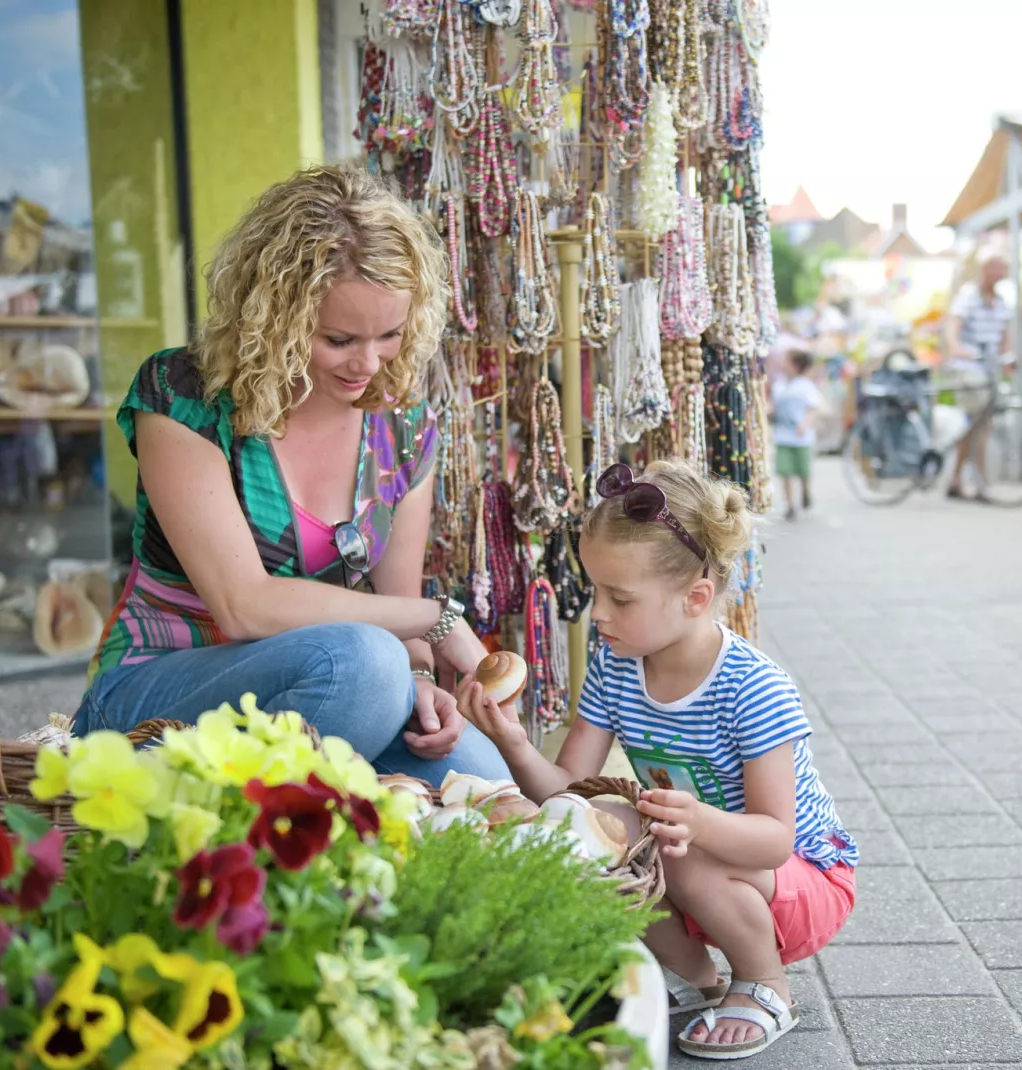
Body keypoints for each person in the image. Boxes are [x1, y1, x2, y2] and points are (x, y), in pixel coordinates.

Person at [74, 164, 510, 782]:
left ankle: (330, 816)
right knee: (363, 663)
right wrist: (438, 619)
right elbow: (244, 608)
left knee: (489, 789)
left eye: (389, 334)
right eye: (338, 339)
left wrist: (420, 681)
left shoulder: (403, 424)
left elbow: (391, 608)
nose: (368, 363)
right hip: (150, 701)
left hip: (332, 695)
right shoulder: (185, 395)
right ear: (274, 314)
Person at [457, 461, 857, 1060]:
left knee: (682, 851)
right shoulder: (616, 666)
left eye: (619, 597)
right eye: (596, 591)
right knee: (585, 830)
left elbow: (776, 839)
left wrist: (698, 825)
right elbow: (568, 793)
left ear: (696, 598)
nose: (599, 613)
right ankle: (693, 978)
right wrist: (512, 740)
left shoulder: (753, 687)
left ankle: (765, 984)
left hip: (802, 880)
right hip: (701, 860)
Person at [942, 246, 1012, 502]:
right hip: (969, 369)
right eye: (995, 267)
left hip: (989, 369)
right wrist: (957, 348)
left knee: (975, 426)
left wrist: (1007, 357)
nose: (1000, 272)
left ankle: (957, 478)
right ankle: (979, 481)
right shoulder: (969, 296)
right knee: (980, 424)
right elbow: (953, 325)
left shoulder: (1001, 302)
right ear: (985, 270)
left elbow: (1004, 336)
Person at [770, 348, 825, 520]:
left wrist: (805, 424)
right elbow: (774, 407)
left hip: (801, 437)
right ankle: (790, 504)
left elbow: (813, 408)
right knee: (785, 470)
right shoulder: (780, 385)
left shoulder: (805, 386)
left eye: (786, 360)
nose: (782, 363)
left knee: (803, 469)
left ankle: (806, 491)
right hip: (783, 435)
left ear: (794, 365)